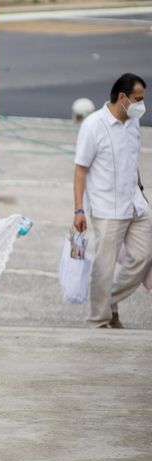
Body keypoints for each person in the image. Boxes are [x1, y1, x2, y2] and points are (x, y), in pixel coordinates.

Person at [73, 72, 152, 328]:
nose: (142, 104)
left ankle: (110, 302)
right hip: (107, 207)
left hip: (135, 203)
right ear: (122, 97)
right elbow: (80, 169)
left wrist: (140, 188)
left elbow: (132, 158)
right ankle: (98, 320)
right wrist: (78, 210)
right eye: (138, 98)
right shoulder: (93, 125)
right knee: (104, 267)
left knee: (144, 256)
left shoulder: (133, 122)